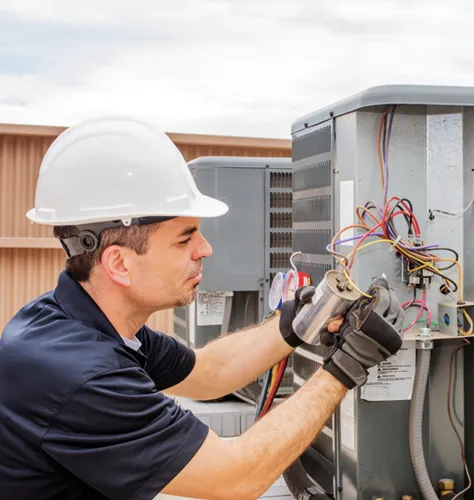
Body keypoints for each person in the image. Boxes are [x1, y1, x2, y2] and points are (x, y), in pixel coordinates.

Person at [0, 117, 405, 500]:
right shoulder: (82, 376)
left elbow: (208, 371)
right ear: (119, 264)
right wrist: (347, 366)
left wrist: (294, 325)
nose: (205, 249)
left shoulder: (84, 323)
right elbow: (236, 476)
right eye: (184, 239)